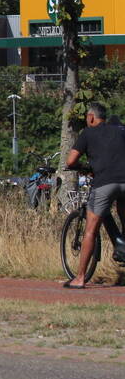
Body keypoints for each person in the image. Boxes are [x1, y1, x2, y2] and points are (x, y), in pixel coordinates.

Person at [63, 102, 125, 288]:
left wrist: (81, 167)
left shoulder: (88, 133)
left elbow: (71, 160)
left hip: (104, 182)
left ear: (91, 117)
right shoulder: (120, 130)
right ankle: (121, 245)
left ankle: (80, 278)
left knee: (90, 230)